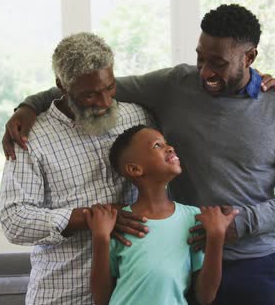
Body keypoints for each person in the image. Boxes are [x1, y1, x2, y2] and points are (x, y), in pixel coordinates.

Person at [4, 3, 275, 304]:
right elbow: (90, 84)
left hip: (252, 262)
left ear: (249, 57)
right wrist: (30, 105)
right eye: (200, 58)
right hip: (179, 260)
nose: (205, 71)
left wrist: (245, 222)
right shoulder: (174, 84)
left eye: (218, 63)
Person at [0, 32, 154, 304]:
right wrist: (90, 218)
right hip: (63, 293)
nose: (105, 102)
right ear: (62, 86)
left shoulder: (137, 116)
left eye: (110, 88)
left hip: (131, 292)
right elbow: (14, 221)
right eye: (90, 95)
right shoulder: (30, 137)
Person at [85, 125, 237, 305]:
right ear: (135, 169)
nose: (170, 147)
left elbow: (206, 297)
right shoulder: (116, 223)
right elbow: (101, 300)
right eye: (157, 145)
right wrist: (100, 237)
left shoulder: (194, 219)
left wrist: (216, 236)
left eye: (166, 143)